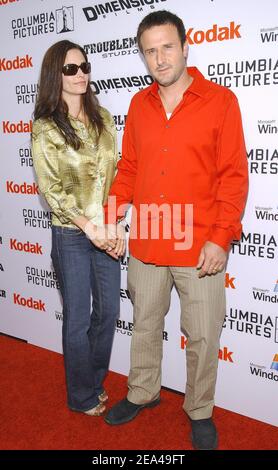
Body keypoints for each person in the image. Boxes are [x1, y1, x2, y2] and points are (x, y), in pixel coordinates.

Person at [103, 11, 248, 449]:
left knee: (203, 334)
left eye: (167, 47)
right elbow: (129, 168)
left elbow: (234, 176)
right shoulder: (138, 104)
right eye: (150, 50)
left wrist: (221, 237)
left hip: (199, 243)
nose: (159, 58)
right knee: (145, 324)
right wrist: (112, 214)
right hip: (147, 236)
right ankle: (143, 392)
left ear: (186, 47)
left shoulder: (221, 101)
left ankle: (199, 409)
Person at [31, 40, 125, 417]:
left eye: (84, 66)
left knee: (108, 312)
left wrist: (114, 226)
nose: (80, 74)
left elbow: (117, 176)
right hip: (71, 234)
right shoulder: (45, 127)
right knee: (78, 318)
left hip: (105, 230)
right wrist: (90, 227)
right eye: (70, 69)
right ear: (57, 74)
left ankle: (94, 381)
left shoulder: (103, 117)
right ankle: (80, 395)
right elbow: (50, 190)